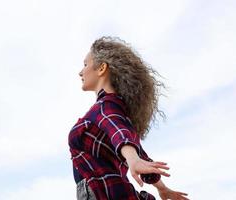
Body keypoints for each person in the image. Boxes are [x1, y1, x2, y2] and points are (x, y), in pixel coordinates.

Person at [68, 36, 189, 200]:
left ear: (102, 68)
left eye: (85, 64)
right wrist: (162, 188)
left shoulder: (106, 107)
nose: (80, 71)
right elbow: (137, 151)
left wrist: (133, 159)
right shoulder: (117, 109)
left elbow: (118, 131)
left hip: (103, 193)